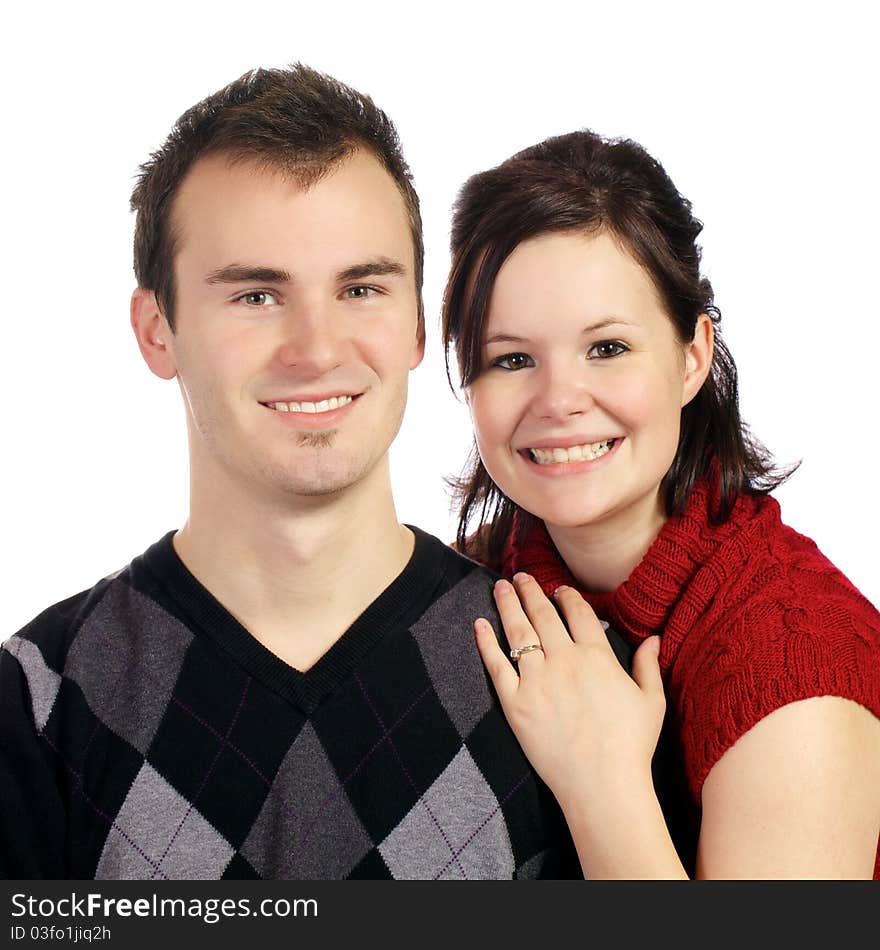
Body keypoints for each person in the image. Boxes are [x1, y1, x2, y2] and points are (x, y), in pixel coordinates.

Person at [0, 66, 578, 880]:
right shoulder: (40, 703)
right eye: (256, 296)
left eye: (361, 288)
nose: (316, 348)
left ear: (417, 324)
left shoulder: (559, 677)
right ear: (156, 329)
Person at [441, 129, 880, 879]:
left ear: (691, 359)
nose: (559, 402)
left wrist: (602, 783)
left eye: (606, 348)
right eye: (512, 359)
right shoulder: (473, 584)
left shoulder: (795, 661)